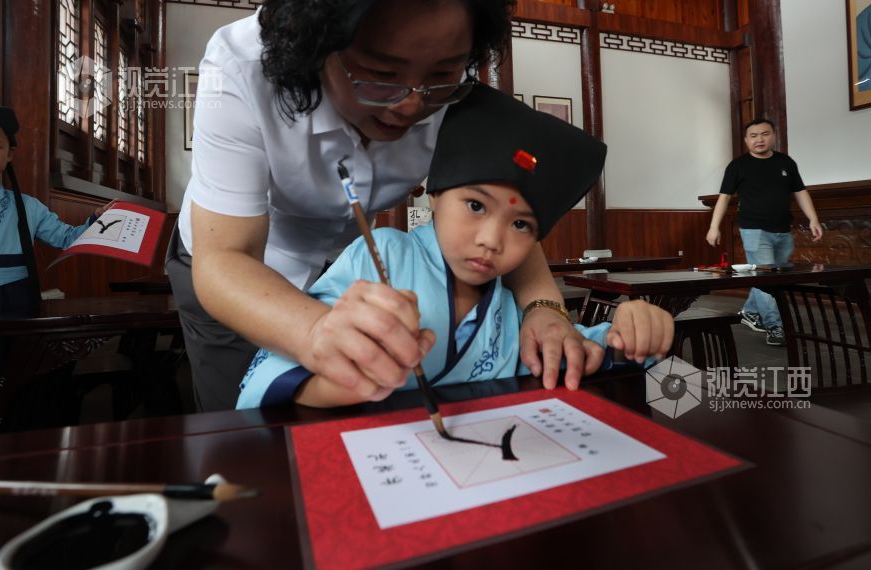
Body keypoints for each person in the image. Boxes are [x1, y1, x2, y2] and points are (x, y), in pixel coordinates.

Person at [169, 0, 600, 412]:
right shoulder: (240, 71)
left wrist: (544, 307)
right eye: (378, 73)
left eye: (442, 74)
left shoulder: (459, 101)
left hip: (351, 274)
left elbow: (509, 203)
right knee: (246, 438)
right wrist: (314, 330)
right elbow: (226, 259)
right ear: (318, 41)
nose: (411, 104)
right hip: (236, 272)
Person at [237, 84, 673, 408]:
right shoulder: (386, 255)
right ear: (433, 193)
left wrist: (629, 334)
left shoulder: (512, 307)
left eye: (521, 223)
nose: (491, 240)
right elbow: (279, 366)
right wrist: (342, 382)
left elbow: (572, 352)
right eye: (475, 206)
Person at [0, 103, 110, 439]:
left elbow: (67, 238)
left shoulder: (27, 206)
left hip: (19, 309)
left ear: (10, 154)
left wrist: (96, 222)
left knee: (21, 397)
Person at [705, 118, 823, 346]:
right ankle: (775, 327)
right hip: (754, 231)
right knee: (767, 278)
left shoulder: (786, 163)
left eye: (764, 134)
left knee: (771, 278)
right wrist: (713, 227)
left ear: (773, 136)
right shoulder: (738, 166)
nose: (759, 139)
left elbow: (800, 191)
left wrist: (813, 219)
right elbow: (724, 198)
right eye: (753, 135)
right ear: (746, 140)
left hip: (783, 230)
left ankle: (750, 312)